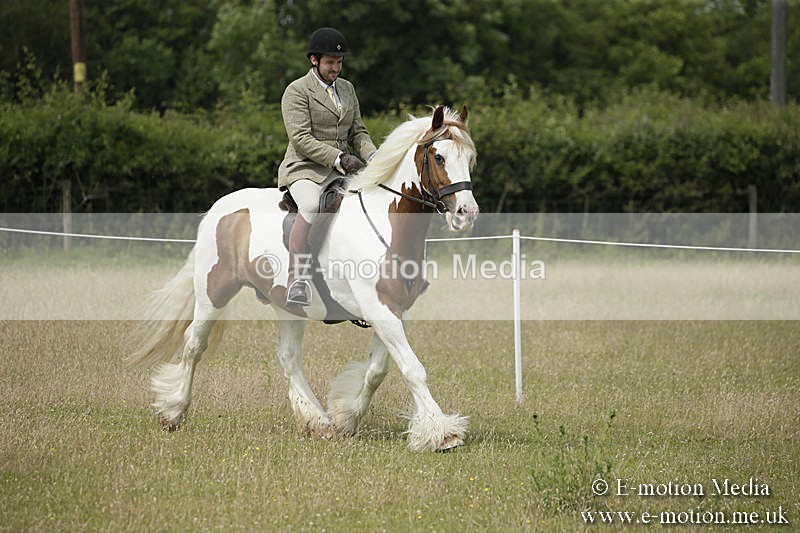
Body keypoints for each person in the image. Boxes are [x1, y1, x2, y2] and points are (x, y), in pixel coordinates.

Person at [278, 27, 377, 307]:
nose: (336, 67)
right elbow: (300, 138)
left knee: (371, 200)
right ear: (314, 60)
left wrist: (377, 159)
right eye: (331, 62)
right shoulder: (296, 91)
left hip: (342, 169)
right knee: (310, 205)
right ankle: (296, 279)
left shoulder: (347, 89)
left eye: (340, 62)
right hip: (305, 168)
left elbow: (358, 132)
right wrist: (338, 157)